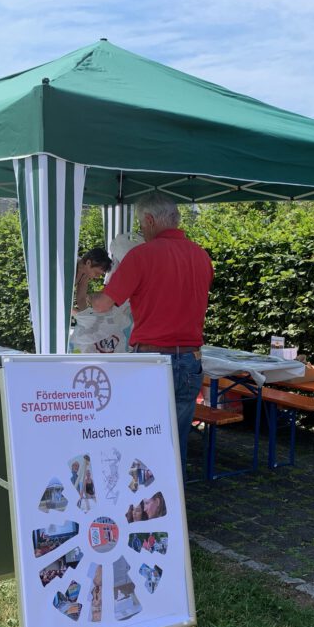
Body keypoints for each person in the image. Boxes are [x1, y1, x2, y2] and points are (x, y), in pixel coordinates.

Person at [92, 192, 213, 467]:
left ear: (149, 220)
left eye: (141, 225)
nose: (141, 231)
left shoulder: (141, 255)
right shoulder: (201, 256)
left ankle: (145, 492)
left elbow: (103, 305)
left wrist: (85, 292)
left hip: (152, 358)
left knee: (144, 438)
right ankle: (175, 493)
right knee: (176, 441)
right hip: (190, 359)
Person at [73, 247, 112, 313]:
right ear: (88, 263)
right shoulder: (71, 266)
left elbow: (81, 298)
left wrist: (87, 314)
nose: (97, 277)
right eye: (96, 273)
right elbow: (60, 298)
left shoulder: (85, 273)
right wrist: (79, 314)